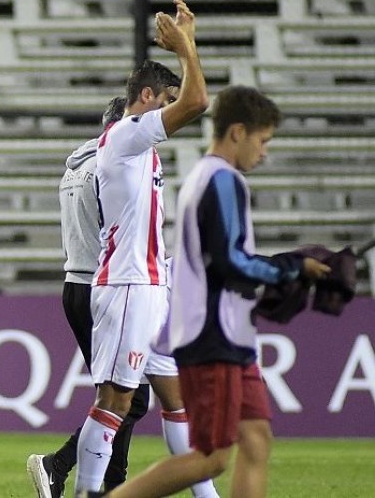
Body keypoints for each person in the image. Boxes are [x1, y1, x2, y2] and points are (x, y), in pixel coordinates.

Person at [101, 87, 331, 498]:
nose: (264, 153)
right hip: (213, 334)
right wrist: (292, 267)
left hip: (227, 331)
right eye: (263, 141)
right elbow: (229, 261)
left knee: (256, 438)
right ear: (238, 132)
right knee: (211, 456)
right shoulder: (222, 180)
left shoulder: (206, 178)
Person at [73, 0, 217, 498]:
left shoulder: (144, 151)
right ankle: (88, 492)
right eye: (167, 99)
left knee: (176, 401)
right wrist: (187, 49)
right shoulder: (125, 136)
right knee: (114, 399)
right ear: (150, 96)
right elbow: (198, 103)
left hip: (151, 286)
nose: (173, 108)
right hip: (128, 285)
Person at [27, 97, 152, 498]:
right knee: (129, 399)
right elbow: (120, 230)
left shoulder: (77, 165)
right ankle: (58, 465)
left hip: (76, 284)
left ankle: (111, 486)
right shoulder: (111, 167)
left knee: (118, 394)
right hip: (105, 286)